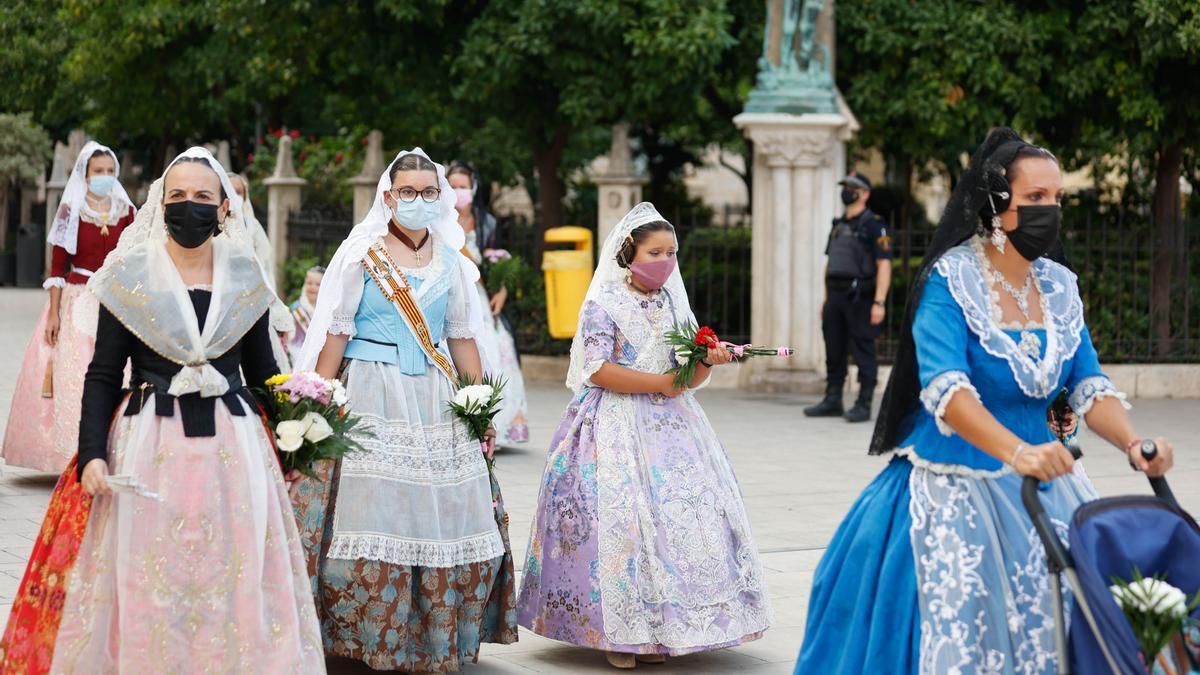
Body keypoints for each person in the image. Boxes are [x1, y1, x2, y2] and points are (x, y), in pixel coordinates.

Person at [793, 128, 1176, 674]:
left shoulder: (1061, 286)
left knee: (1081, 615)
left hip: (1050, 480)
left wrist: (1135, 444)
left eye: (1057, 199)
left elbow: (1089, 386)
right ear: (997, 204)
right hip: (955, 475)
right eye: (1035, 199)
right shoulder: (951, 281)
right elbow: (947, 391)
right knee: (964, 613)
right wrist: (1018, 454)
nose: (1051, 210)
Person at [1, 148, 325, 674]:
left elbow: (267, 374)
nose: (189, 207)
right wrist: (90, 456)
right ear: (160, 204)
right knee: (149, 570)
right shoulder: (128, 277)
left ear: (224, 209)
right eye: (177, 196)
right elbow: (104, 375)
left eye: (202, 197)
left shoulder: (246, 278)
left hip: (235, 449)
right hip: (149, 444)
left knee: (233, 570)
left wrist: (296, 445)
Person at [290, 149, 518, 672]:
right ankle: (365, 635)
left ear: (441, 197)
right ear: (389, 197)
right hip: (370, 389)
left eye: (428, 191)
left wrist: (478, 407)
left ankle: (433, 635)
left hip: (436, 396)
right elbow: (335, 336)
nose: (417, 200)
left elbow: (461, 339)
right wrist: (315, 408)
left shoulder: (453, 262)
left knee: (445, 510)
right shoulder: (361, 255)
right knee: (376, 504)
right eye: (407, 192)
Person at [517, 202, 772, 670]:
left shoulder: (676, 303)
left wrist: (705, 363)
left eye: (672, 251)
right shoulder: (604, 304)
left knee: (686, 515)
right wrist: (658, 385)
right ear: (629, 254)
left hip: (675, 427)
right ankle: (620, 632)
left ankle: (663, 629)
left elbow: (687, 377)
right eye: (655, 251)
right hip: (613, 422)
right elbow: (596, 368)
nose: (666, 261)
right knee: (623, 520)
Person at [2, 142, 135, 473]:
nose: (104, 177)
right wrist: (54, 312)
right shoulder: (72, 210)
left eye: (109, 171)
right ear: (86, 175)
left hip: (116, 300)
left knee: (121, 371)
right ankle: (71, 454)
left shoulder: (127, 211)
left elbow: (136, 259)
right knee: (75, 374)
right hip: (77, 299)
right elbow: (57, 267)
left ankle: (116, 449)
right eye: (98, 172)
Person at [448, 162, 530, 444]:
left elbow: (498, 259)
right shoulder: (438, 220)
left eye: (463, 186)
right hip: (450, 292)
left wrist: (502, 288)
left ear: (474, 188)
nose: (458, 192)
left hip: (480, 296)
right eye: (453, 186)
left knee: (499, 349)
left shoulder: (488, 223)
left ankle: (499, 424)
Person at [804, 170, 892, 423]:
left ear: (865, 194)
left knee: (863, 349)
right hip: (835, 295)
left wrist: (879, 301)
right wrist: (825, 298)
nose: (848, 192)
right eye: (846, 186)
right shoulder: (838, 225)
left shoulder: (874, 225)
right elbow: (830, 262)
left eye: (853, 188)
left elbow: (884, 265)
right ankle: (833, 399)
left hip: (860, 297)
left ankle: (864, 402)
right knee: (834, 347)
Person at [229, 172, 295, 370]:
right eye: (230, 191)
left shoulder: (253, 226)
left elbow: (264, 267)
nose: (235, 196)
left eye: (239, 192)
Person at [289, 265, 325, 353]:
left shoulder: (326, 310)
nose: (313, 287)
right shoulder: (296, 308)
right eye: (309, 283)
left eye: (318, 284)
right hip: (297, 351)